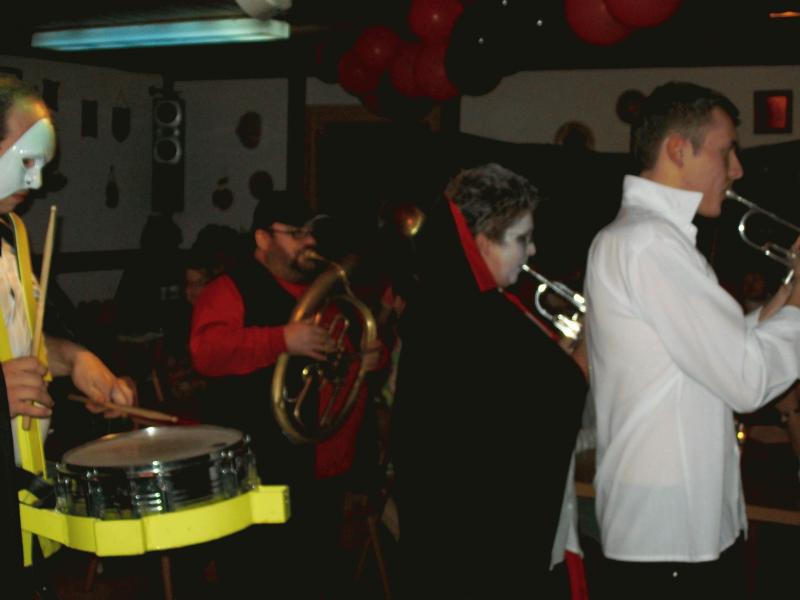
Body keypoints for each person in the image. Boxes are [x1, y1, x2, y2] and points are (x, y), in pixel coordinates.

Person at [584, 81, 800, 599]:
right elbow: (747, 381)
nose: (737, 169)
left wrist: (790, 289)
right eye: (726, 152)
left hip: (675, 528)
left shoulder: (652, 239)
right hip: (669, 534)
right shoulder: (650, 243)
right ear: (679, 150)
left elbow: (729, 351)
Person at [393, 162, 587, 598]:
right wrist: (596, 333)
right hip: (475, 549)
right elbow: (562, 392)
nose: (532, 250)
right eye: (521, 239)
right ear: (482, 241)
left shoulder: (446, 301)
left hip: (445, 539)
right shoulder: (475, 314)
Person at [189, 195, 383, 597]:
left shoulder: (324, 293)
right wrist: (281, 340)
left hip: (318, 468)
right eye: (296, 234)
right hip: (255, 468)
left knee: (314, 576)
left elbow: (339, 367)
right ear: (263, 239)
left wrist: (363, 362)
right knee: (259, 577)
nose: (309, 242)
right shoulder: (228, 289)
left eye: (311, 232)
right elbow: (207, 353)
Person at [0, 76, 135, 595]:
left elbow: (24, 347)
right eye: (27, 160)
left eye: (44, 166)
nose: (36, 182)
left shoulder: (12, 236)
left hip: (22, 501)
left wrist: (75, 359)